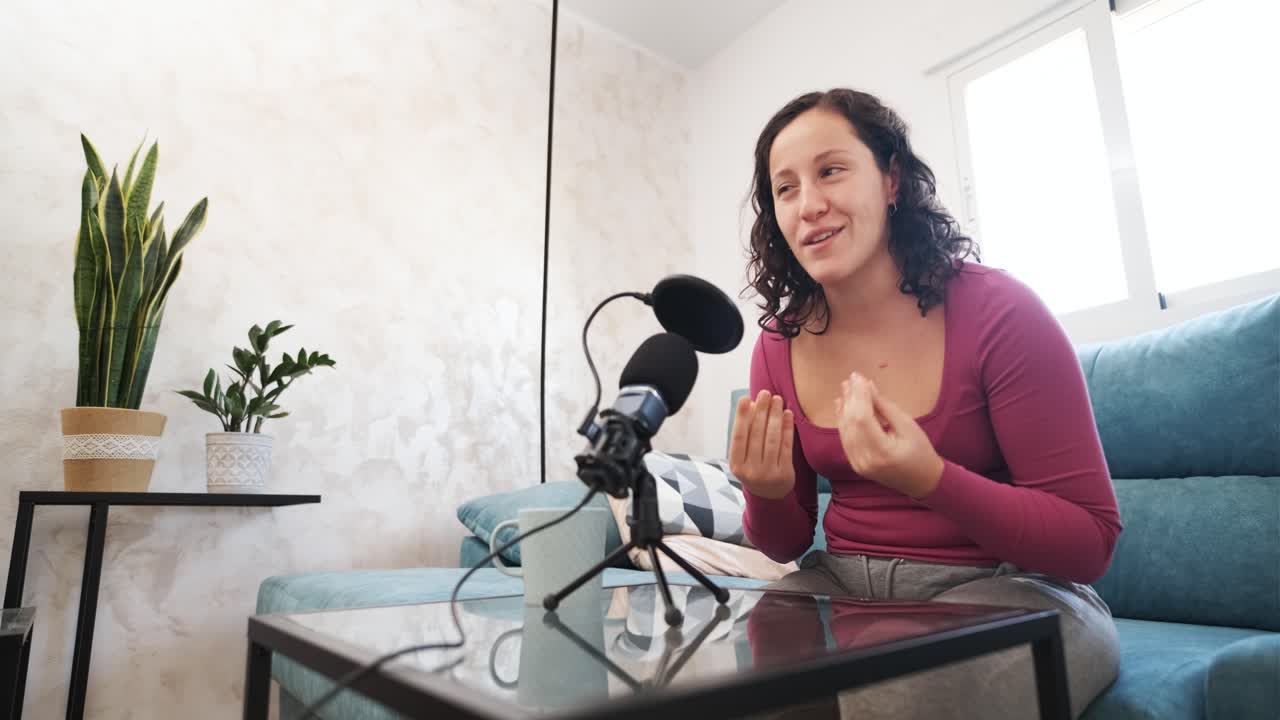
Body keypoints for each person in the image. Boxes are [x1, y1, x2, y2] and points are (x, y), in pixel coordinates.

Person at [728, 88, 1123, 719]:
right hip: (840, 582)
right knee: (733, 677)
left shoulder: (1001, 311)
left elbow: (1090, 543)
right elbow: (784, 543)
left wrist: (930, 478)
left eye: (830, 170)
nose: (809, 204)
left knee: (899, 696)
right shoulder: (779, 342)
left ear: (891, 180)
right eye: (785, 188)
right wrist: (767, 492)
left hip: (1007, 586)